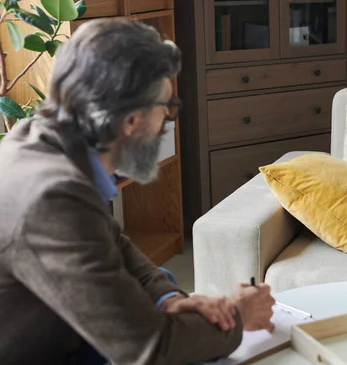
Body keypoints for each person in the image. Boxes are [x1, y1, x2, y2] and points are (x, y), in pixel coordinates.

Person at [0, 18, 276, 364]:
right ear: (130, 121)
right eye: (165, 108)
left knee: (165, 279)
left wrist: (170, 299)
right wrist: (237, 317)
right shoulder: (53, 196)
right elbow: (148, 348)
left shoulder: (35, 138)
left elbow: (110, 239)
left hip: (59, 326)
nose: (166, 121)